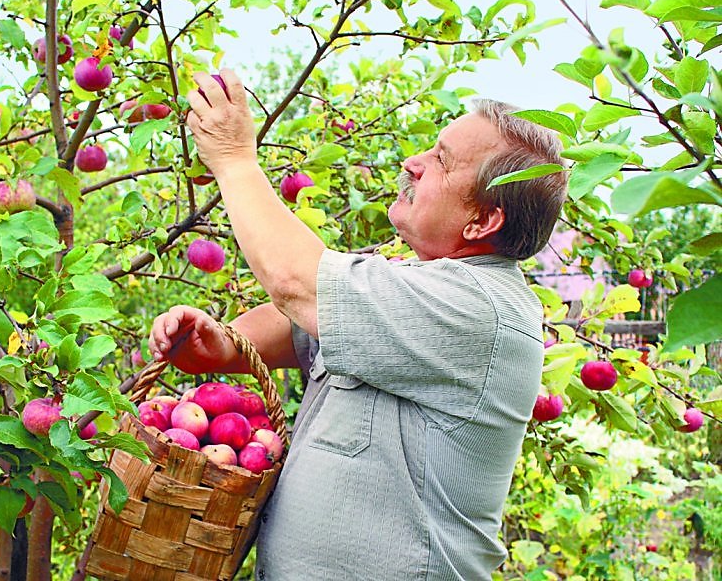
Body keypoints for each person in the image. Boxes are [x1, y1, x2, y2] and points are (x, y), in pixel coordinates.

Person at [149, 69, 567, 580]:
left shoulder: (479, 307)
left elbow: (299, 285)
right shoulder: (416, 284)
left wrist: (235, 161)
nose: (414, 163)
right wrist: (222, 345)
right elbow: (298, 322)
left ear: (482, 221)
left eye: (442, 161)